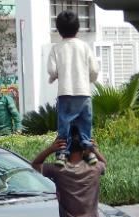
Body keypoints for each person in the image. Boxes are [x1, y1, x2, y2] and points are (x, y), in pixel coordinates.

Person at [47, 10, 99, 166]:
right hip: (84, 94)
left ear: (58, 30)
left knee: (64, 126)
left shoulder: (56, 48)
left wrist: (55, 76)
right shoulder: (85, 47)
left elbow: (52, 70)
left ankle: (62, 155)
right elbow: (94, 70)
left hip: (65, 94)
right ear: (78, 28)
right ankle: (89, 153)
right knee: (85, 126)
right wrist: (88, 79)